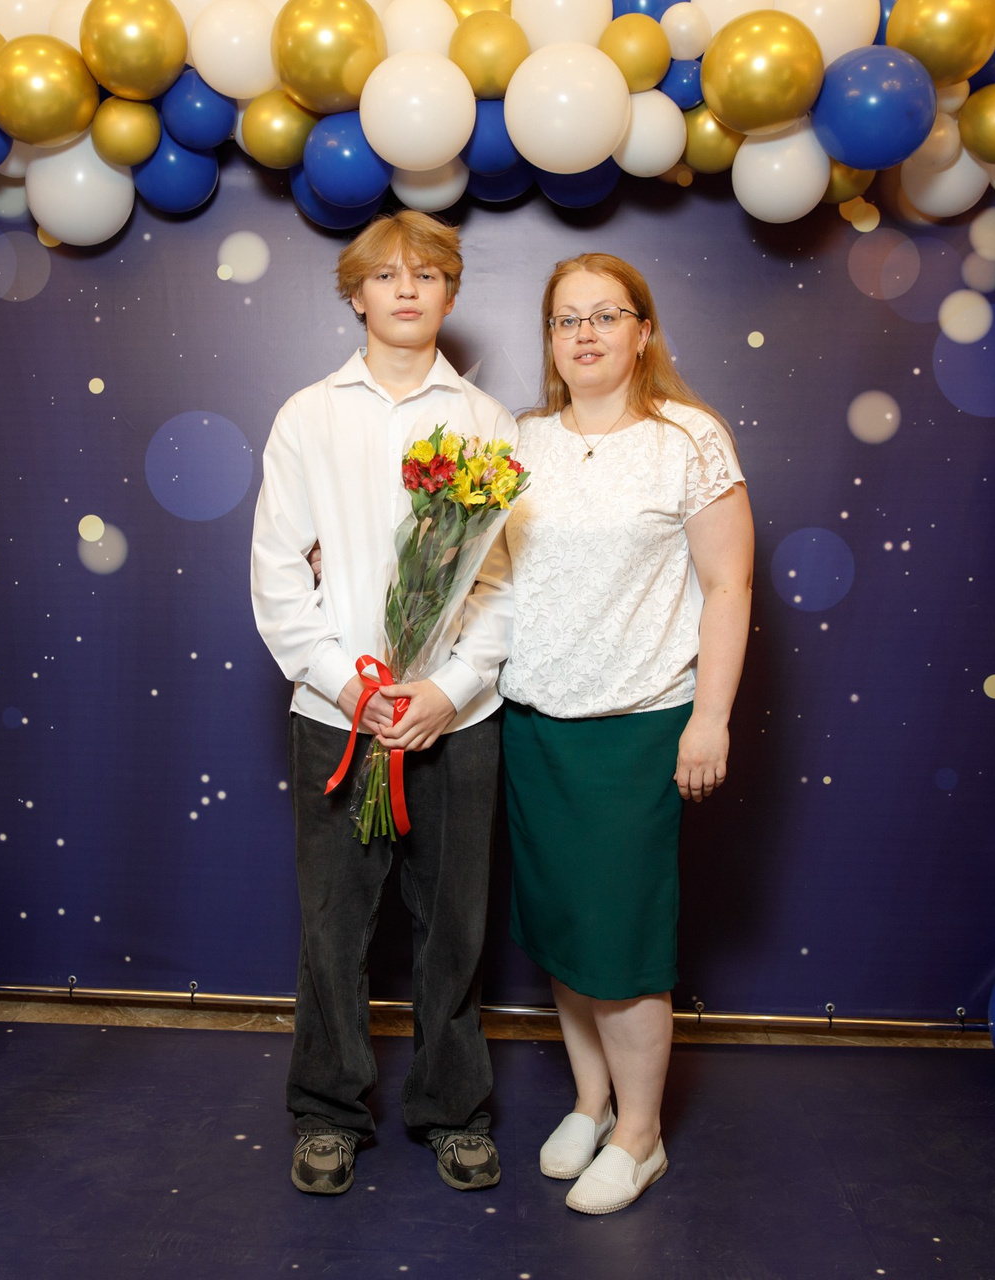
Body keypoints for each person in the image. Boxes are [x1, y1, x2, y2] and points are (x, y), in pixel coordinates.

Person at [249, 211, 516, 1197]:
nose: (407, 288)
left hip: (457, 721)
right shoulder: (307, 416)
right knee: (332, 926)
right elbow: (279, 574)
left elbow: (506, 583)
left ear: (450, 292)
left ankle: (453, 1108)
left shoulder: (488, 422)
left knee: (454, 928)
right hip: (338, 714)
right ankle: (328, 1110)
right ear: (356, 294)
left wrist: (449, 688)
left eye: (428, 273)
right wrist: (348, 685)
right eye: (387, 274)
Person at [498, 253, 754, 1215]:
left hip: (637, 727)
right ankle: (591, 1102)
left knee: (624, 946)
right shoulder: (519, 440)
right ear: (550, 339)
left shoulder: (688, 438)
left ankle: (641, 1137)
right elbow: (479, 572)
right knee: (566, 933)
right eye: (568, 319)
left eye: (608, 315)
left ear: (644, 331)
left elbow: (728, 586)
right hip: (534, 726)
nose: (587, 334)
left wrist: (709, 718)